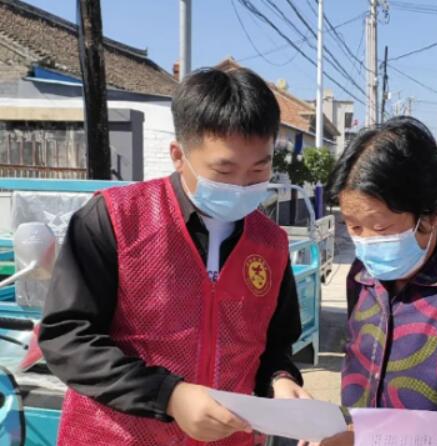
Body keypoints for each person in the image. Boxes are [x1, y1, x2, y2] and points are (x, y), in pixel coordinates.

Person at [39, 67, 310, 446]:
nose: (242, 186)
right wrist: (170, 395)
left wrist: (281, 381)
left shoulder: (271, 243)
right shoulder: (115, 219)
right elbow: (67, 336)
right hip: (116, 437)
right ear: (178, 155)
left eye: (259, 169)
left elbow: (275, 344)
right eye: (224, 170)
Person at [321, 117, 437, 444]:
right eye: (352, 226)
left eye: (379, 228)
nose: (365, 243)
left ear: (429, 215)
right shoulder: (361, 274)